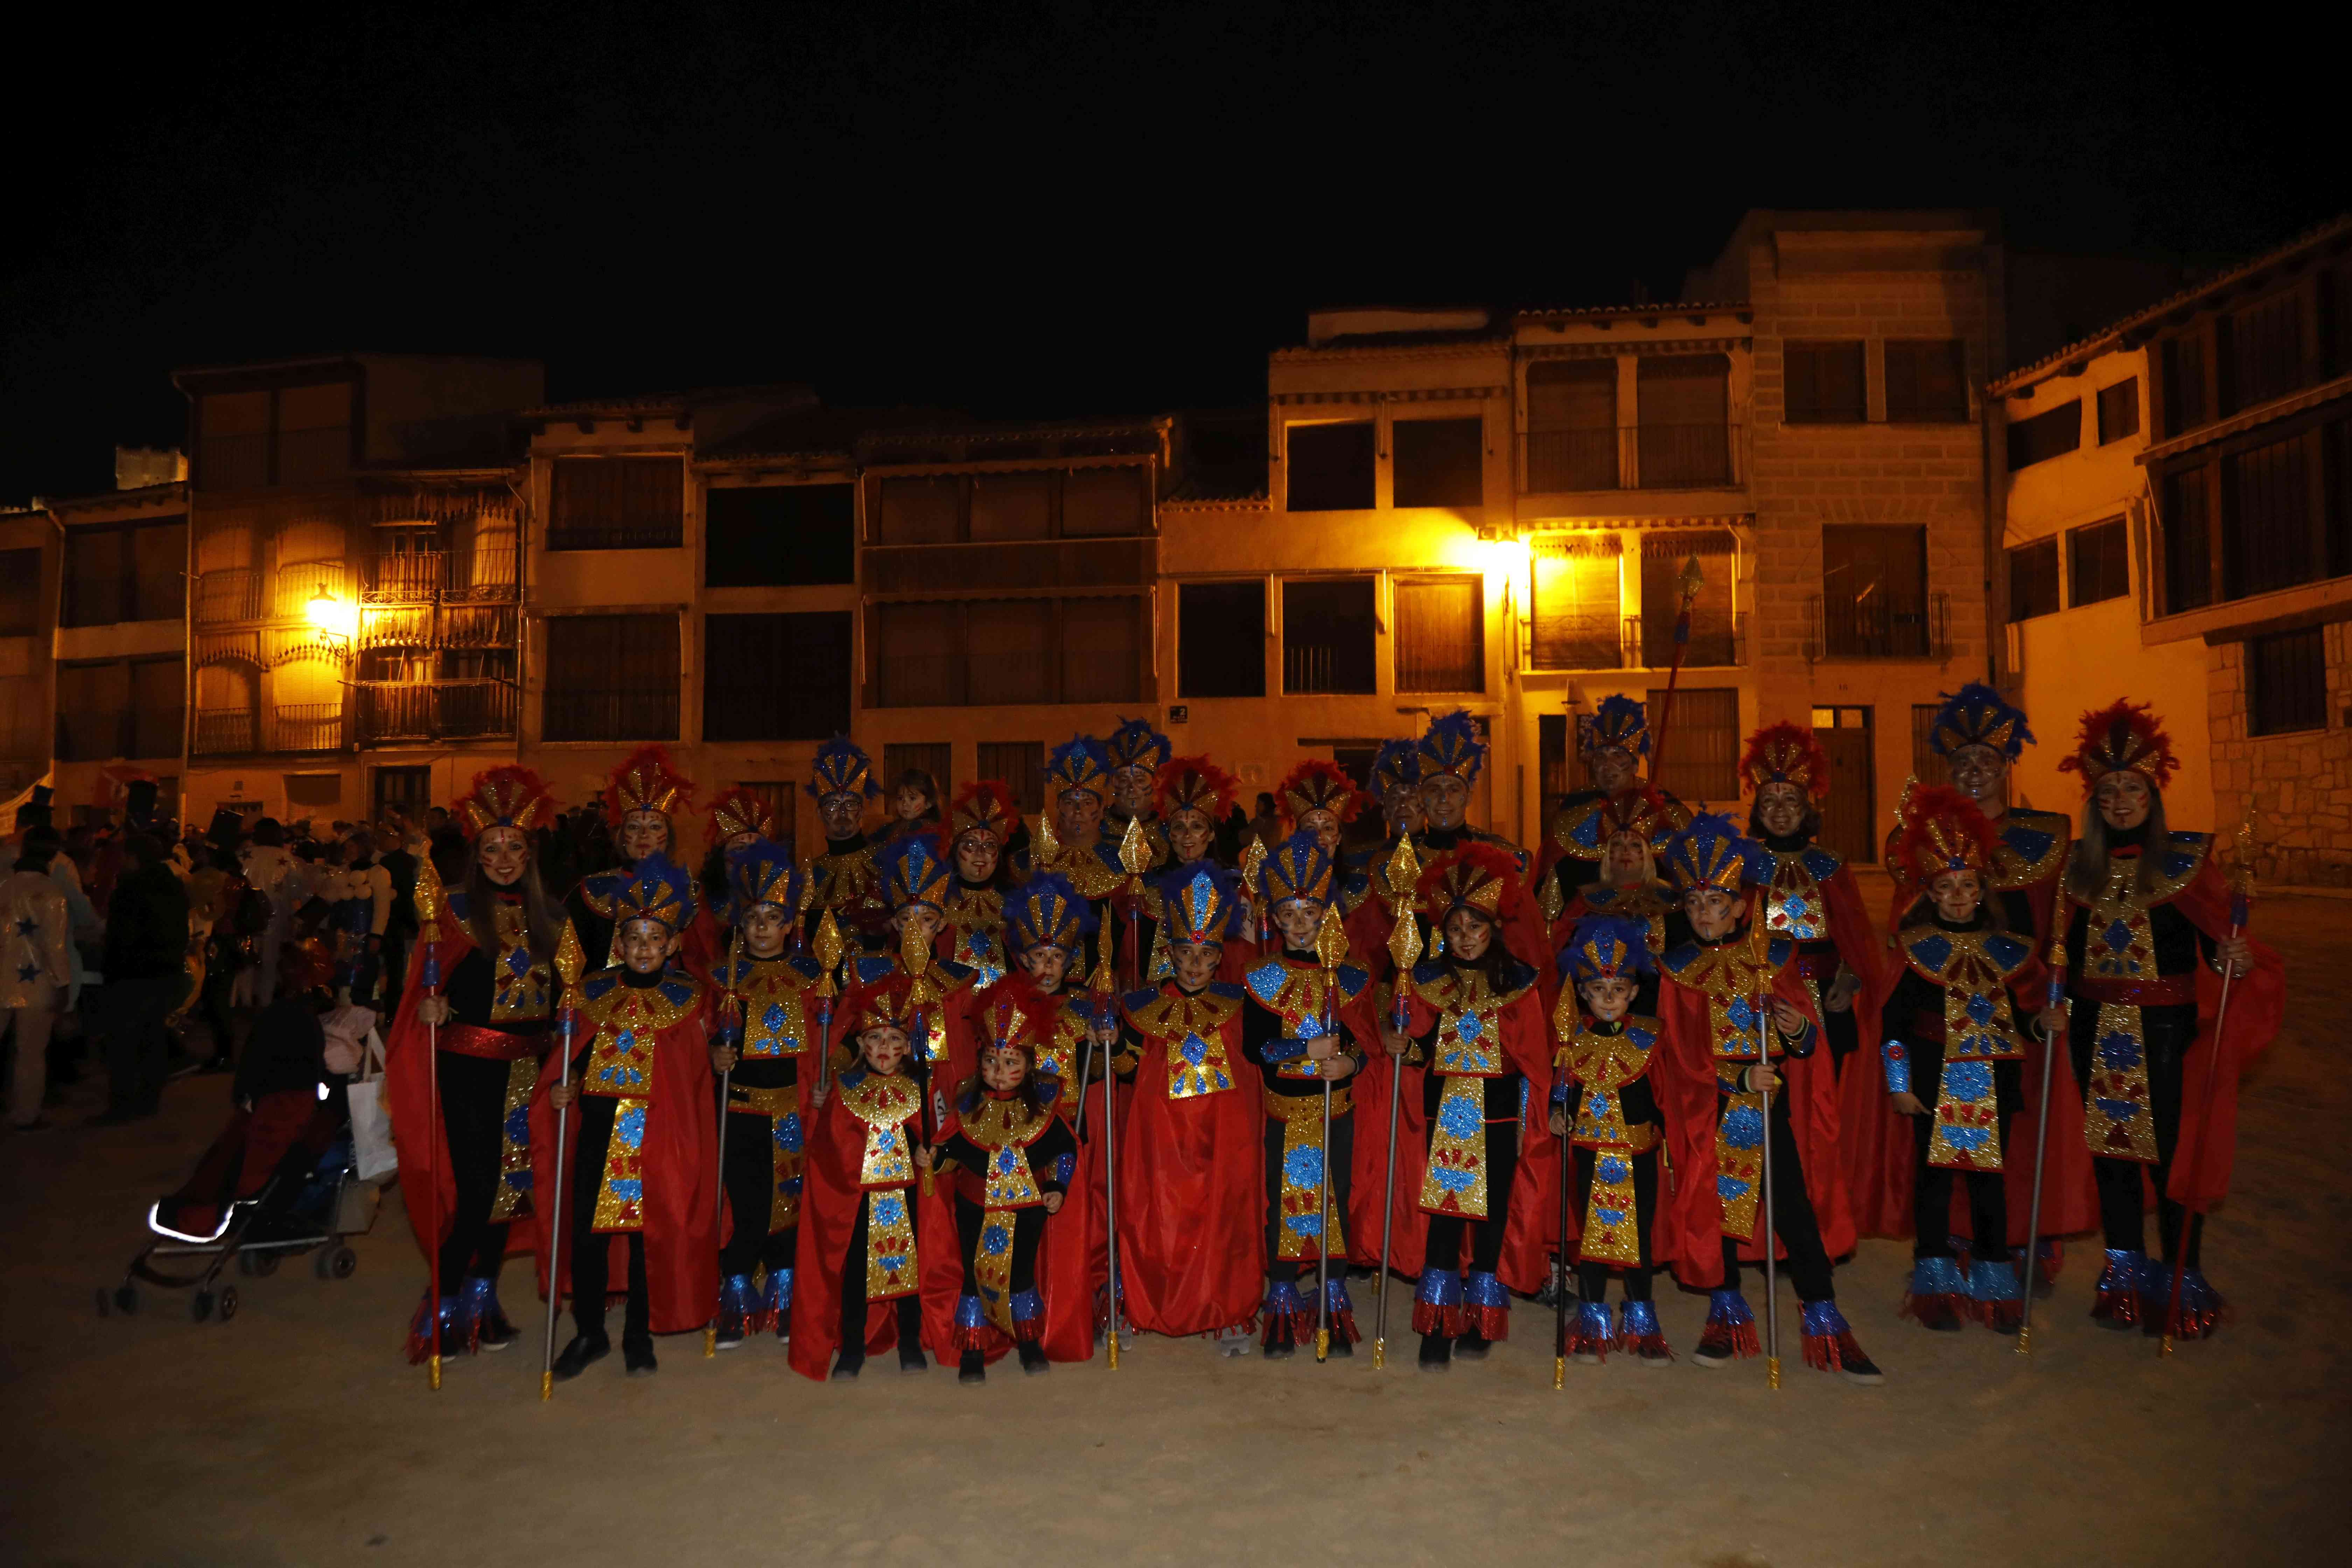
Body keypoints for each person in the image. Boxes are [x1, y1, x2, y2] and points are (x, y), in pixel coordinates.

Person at [2053, 701, 2278, 1338]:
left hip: (2168, 1034)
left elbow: (2219, 948)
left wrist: (2234, 957)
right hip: (2095, 1033)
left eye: (2132, 787)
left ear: (2153, 791)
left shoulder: (2186, 864)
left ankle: (2182, 1280)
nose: (2120, 800)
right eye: (2107, 790)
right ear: (2093, 801)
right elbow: (2060, 959)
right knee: (2113, 1155)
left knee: (2175, 1157)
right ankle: (2125, 1276)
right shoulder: (2077, 872)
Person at [1650, 812, 1883, 1385]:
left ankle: (1824, 1315)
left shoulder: (1774, 960)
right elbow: (1676, 1055)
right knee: (1717, 1207)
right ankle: (1727, 1313)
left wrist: (1794, 1028)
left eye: (1719, 901)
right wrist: (1730, 1082)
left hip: (1771, 1107)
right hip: (1712, 1111)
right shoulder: (1678, 971)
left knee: (1794, 1208)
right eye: (1696, 902)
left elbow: (1807, 1045)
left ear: (1740, 904)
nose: (1707, 913)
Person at [387, 767, 584, 1360]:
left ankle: (481, 1300)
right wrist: (430, 1004)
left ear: (531, 852)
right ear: (477, 852)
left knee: (512, 1192)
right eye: (492, 848)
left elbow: (568, 997)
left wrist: (567, 1051)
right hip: (467, 1068)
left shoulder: (552, 917)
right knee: (478, 1190)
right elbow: (424, 980)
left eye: (515, 847)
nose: (504, 858)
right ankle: (441, 1305)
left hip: (529, 1070)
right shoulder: (449, 910)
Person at [1897, 682, 2092, 1272]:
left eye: (1987, 761)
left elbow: (2064, 919)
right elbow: (1904, 926)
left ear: (2007, 766)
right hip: (1944, 1013)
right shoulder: (1924, 837)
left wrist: (2051, 999)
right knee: (1943, 1139)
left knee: (2019, 1128)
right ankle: (1951, 1240)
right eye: (1963, 762)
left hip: (2023, 1002)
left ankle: (2024, 1232)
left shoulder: (2045, 838)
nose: (1975, 771)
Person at [539, 852, 718, 1380]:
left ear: (674, 944)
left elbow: (692, 1078)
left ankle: (638, 1334)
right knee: (588, 1238)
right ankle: (590, 1332)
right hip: (597, 1130)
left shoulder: (689, 999)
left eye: (655, 939)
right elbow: (566, 1060)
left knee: (649, 1238)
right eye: (634, 938)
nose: (644, 949)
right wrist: (560, 1089)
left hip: (658, 1137)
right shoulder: (591, 994)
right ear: (619, 944)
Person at [1879, 783, 2046, 1333]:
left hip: (1992, 1079)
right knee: (1932, 1182)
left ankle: (1996, 1284)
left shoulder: (2007, 947)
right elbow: (1894, 1027)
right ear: (1929, 890)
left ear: (1982, 888)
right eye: (1946, 886)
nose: (1957, 895)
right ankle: (1937, 1285)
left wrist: (2045, 1021)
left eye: (1967, 884)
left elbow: (2025, 1014)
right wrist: (1900, 1085)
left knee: (1988, 1184)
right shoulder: (1913, 946)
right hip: (1930, 1079)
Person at [1380, 846, 1553, 1372]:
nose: (1465, 939)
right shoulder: (1427, 980)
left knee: (1495, 1214)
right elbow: (1416, 1048)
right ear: (1443, 932)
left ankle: (1483, 1315)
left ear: (1493, 927)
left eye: (1475, 928)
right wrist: (1400, 1042)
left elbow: (1533, 1060)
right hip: (1443, 1115)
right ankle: (1436, 1323)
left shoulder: (1519, 981)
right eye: (1455, 929)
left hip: (1500, 1117)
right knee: (1446, 1217)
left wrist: (1532, 1121)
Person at [1113, 862, 1262, 1350]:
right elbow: (1127, 1070)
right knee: (1159, 1216)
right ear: (1169, 952)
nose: (1195, 964)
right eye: (1185, 952)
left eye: (1206, 953)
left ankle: (1226, 1310)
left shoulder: (1241, 1002)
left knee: (1224, 1217)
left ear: (1221, 955)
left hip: (1225, 1134)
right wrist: (1112, 1044)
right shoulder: (1143, 1005)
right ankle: (1147, 1304)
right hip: (1160, 1134)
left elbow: (1263, 1053)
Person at [1241, 829, 1373, 1358]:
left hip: (1336, 1110)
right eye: (1289, 915)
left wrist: (1349, 1060)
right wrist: (1307, 1048)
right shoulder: (1261, 976)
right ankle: (1281, 1298)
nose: (1300, 926)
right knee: (1282, 1204)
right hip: (1285, 1112)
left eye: (1311, 914)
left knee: (1334, 1201)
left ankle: (1334, 1297)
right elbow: (1257, 1049)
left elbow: (1365, 1042)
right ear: (1273, 918)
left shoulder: (1351, 975)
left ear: (1328, 917)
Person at [789, 972, 956, 1380]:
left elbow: (945, 1139)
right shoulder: (845, 1087)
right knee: (857, 1271)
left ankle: (912, 1342)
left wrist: (931, 1153)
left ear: (908, 1046)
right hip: (858, 1197)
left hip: (909, 1195)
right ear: (862, 1044)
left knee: (913, 1269)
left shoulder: (923, 1085)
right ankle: (852, 1346)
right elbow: (827, 1148)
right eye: (876, 1038)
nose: (885, 1047)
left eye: (895, 1039)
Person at [982, 871, 1116, 1362]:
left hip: (1071, 1130)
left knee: (1071, 1228)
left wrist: (1109, 1043)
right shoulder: (1007, 1007)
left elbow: (1108, 1072)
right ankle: (1015, 1318)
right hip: (1018, 1135)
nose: (1047, 966)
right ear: (1023, 958)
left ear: (1069, 959)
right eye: (1038, 957)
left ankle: (1070, 1316)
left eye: (1056, 956)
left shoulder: (1086, 1007)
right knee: (1020, 1232)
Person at [707, 840, 822, 1349]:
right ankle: (734, 1296)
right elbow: (699, 1039)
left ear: (790, 924)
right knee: (748, 1206)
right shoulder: (720, 979)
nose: (761, 927)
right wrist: (715, 1057)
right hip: (739, 1110)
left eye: (773, 917)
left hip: (793, 1114)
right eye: (753, 916)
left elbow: (831, 1041)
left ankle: (784, 1293)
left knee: (791, 1208)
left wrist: (826, 1079)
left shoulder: (812, 978)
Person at [924, 1001, 1076, 1382]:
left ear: (1027, 1064)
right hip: (975, 1204)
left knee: (1021, 1274)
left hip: (1028, 1207)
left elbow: (1064, 1149)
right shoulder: (967, 1105)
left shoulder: (1042, 1109)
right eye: (991, 1061)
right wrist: (935, 1157)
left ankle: (1028, 1344)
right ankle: (973, 1349)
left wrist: (1058, 1186)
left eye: (1011, 1062)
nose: (1000, 1072)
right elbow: (954, 1152)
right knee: (974, 1277)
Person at [1549, 915, 1673, 1365]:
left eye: (1618, 989)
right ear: (1583, 992)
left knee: (1639, 1236)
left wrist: (1668, 1127)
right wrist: (1556, 1112)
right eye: (1598, 989)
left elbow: (1665, 1094)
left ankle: (1642, 1320)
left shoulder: (1650, 1036)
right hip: (1588, 1152)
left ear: (1634, 992)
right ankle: (1592, 1320)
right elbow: (1559, 1089)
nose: (1608, 998)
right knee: (1590, 1235)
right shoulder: (1571, 1039)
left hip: (1640, 1151)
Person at [1414, 711, 1547, 969]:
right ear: (1421, 798)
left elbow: (1526, 947)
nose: (1444, 799)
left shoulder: (1501, 860)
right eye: (1434, 790)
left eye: (1453, 789)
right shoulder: (1399, 863)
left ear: (1469, 797)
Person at [568, 745, 697, 974]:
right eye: (635, 827)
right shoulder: (589, 892)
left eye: (655, 827)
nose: (644, 836)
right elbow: (570, 970)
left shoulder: (689, 892)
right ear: (622, 836)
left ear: (669, 836)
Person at [91, 834, 192, 1124]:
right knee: (152, 1037)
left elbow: (120, 937)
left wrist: (112, 969)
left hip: (132, 975)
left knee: (124, 1043)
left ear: (134, 858)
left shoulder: (131, 889)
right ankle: (148, 1100)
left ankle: (123, 1104)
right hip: (165, 971)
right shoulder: (173, 886)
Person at [3, 831, 72, 1130]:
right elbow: (54, 946)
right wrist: (63, 984)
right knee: (30, 1054)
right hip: (37, 984)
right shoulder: (52, 893)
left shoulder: (4, 887)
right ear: (53, 857)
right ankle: (26, 1114)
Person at [805, 735, 891, 955]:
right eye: (833, 804)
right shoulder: (809, 875)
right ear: (820, 813)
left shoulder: (887, 862)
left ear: (861, 811)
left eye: (851, 804)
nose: (842, 812)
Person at [1024, 735, 1126, 905]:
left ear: (1102, 810)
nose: (1078, 811)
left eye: (1087, 803)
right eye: (1070, 803)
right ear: (1058, 808)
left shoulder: (1123, 860)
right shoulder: (1035, 858)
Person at [941, 781, 1020, 985]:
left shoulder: (1017, 904)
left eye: (989, 845)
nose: (980, 852)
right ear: (955, 852)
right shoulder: (937, 901)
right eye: (970, 844)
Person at [1102, 717, 1174, 872]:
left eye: (1140, 780)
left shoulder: (1173, 831)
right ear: (1113, 783)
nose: (1131, 788)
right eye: (1123, 780)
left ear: (1156, 782)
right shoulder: (1097, 830)